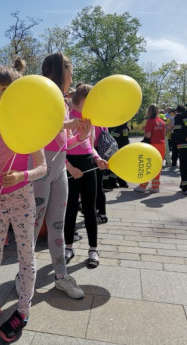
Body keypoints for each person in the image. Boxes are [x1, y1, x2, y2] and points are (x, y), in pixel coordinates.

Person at [0, 57, 47, 342]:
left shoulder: (29, 126)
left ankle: (23, 309)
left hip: (22, 200)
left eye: (3, 90)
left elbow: (42, 167)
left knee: (26, 257)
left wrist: (23, 176)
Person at [30, 52, 90, 295]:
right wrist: (67, 125)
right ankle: (25, 275)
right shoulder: (41, 93)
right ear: (58, 72)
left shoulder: (64, 102)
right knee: (32, 226)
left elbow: (63, 142)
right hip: (41, 168)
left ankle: (61, 276)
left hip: (59, 170)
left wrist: (81, 137)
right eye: (70, 73)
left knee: (58, 224)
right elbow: (35, 126)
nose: (71, 78)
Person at [65, 84, 108, 269]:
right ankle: (68, 246)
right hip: (70, 166)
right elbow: (61, 148)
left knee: (90, 208)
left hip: (88, 165)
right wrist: (69, 167)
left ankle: (93, 249)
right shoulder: (66, 117)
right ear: (85, 100)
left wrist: (98, 159)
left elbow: (90, 146)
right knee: (71, 207)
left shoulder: (90, 119)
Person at [134, 104, 166, 193]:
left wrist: (146, 130)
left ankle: (143, 186)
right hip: (162, 146)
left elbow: (148, 135)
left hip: (152, 146)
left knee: (147, 165)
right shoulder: (162, 122)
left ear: (149, 111)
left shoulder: (150, 121)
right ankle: (155, 187)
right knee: (157, 166)